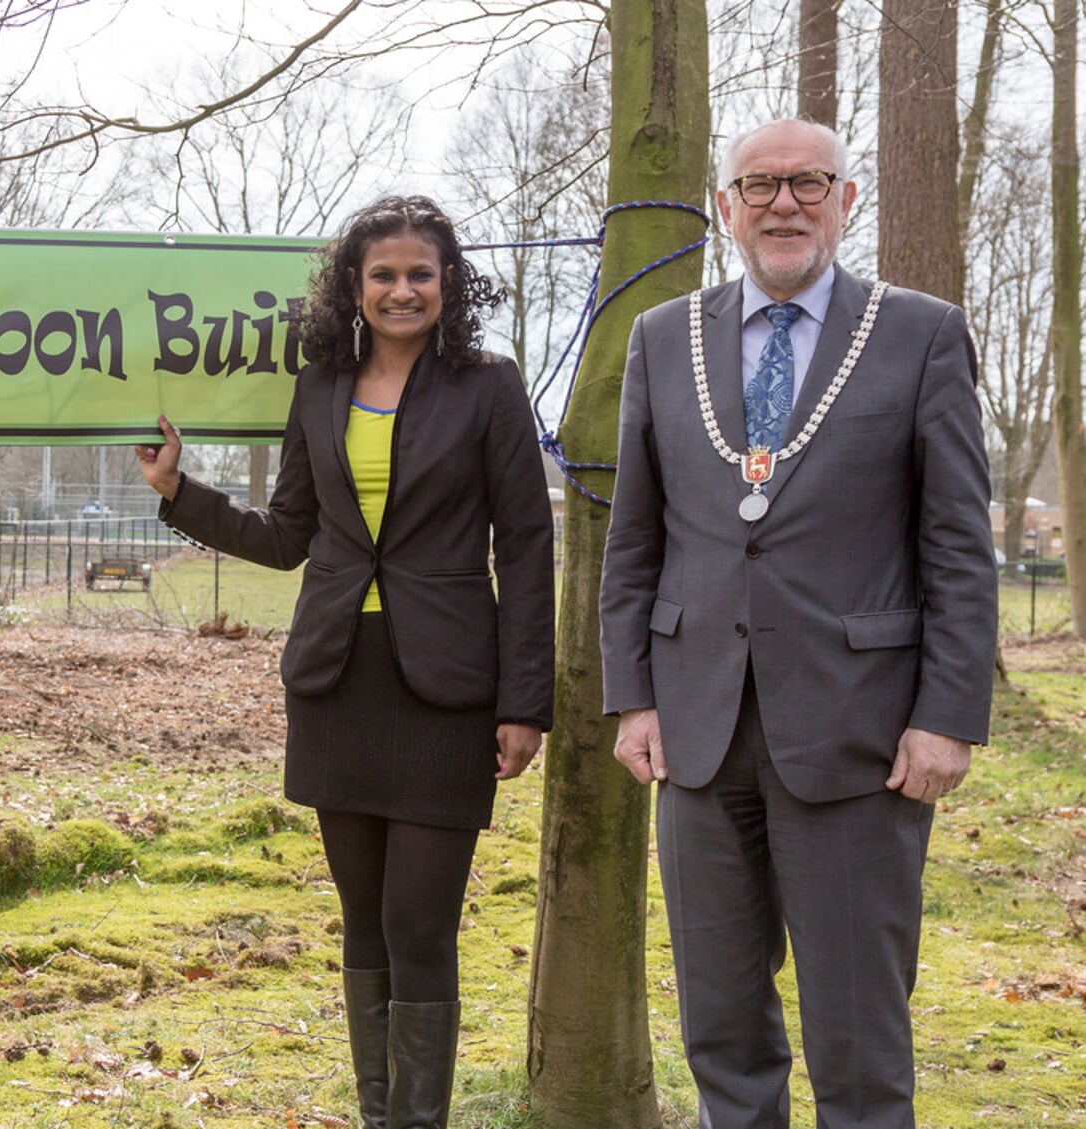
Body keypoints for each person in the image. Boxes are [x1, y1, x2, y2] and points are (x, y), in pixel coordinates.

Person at [599, 118, 996, 1128]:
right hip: (694, 732)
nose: (783, 203)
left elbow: (954, 542)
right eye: (758, 185)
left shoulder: (919, 333)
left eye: (807, 183)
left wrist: (948, 713)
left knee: (857, 1034)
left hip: (860, 734)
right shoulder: (662, 338)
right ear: (724, 207)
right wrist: (633, 694)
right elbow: (635, 537)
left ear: (845, 199)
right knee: (719, 1028)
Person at [137, 195, 555, 1129]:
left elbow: (525, 545)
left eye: (419, 273)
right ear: (352, 288)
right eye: (383, 275)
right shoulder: (320, 383)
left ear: (447, 283)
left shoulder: (488, 384)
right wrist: (178, 493)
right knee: (362, 923)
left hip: (447, 689)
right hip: (335, 681)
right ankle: (380, 1116)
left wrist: (525, 701)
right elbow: (288, 534)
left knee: (419, 923)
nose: (402, 290)